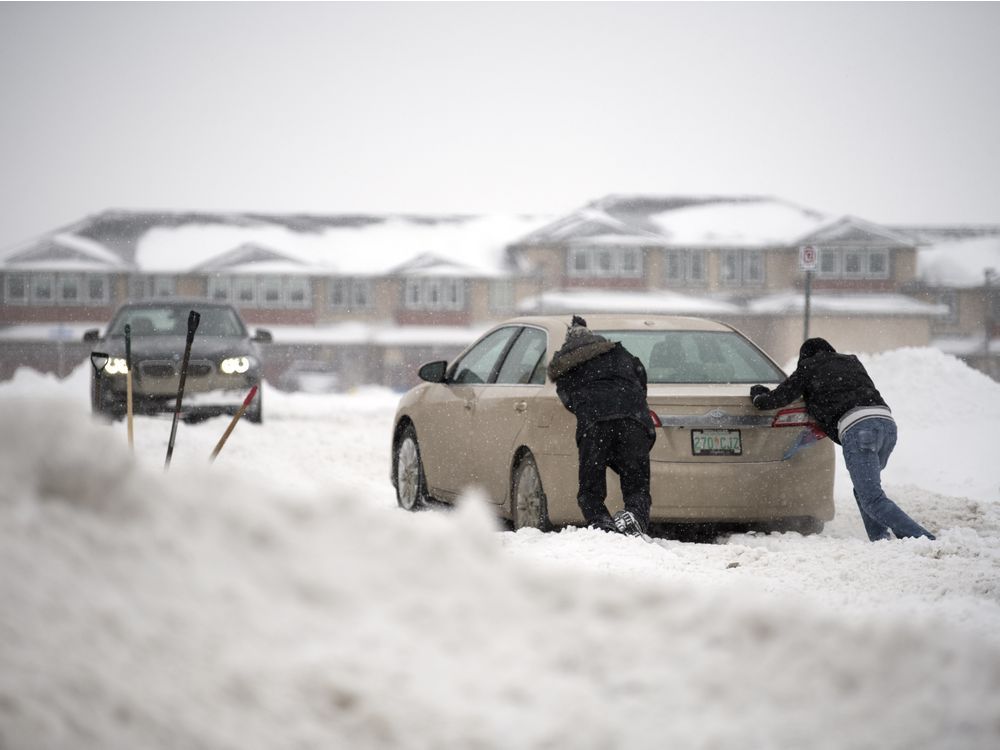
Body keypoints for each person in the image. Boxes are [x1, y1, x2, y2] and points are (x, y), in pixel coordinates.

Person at [749, 337, 935, 542]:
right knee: (865, 491)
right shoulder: (851, 361)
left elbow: (778, 399)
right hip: (886, 425)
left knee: (872, 498)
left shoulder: (808, 367)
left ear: (805, 357)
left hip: (859, 430)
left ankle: (922, 539)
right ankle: (881, 539)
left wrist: (759, 396)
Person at [547, 315, 656, 537]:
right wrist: (630, 405)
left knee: (590, 488)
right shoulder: (617, 351)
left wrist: (591, 409)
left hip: (595, 424)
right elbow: (640, 377)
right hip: (634, 420)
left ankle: (601, 524)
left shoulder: (566, 363)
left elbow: (568, 398)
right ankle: (634, 517)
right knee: (637, 484)